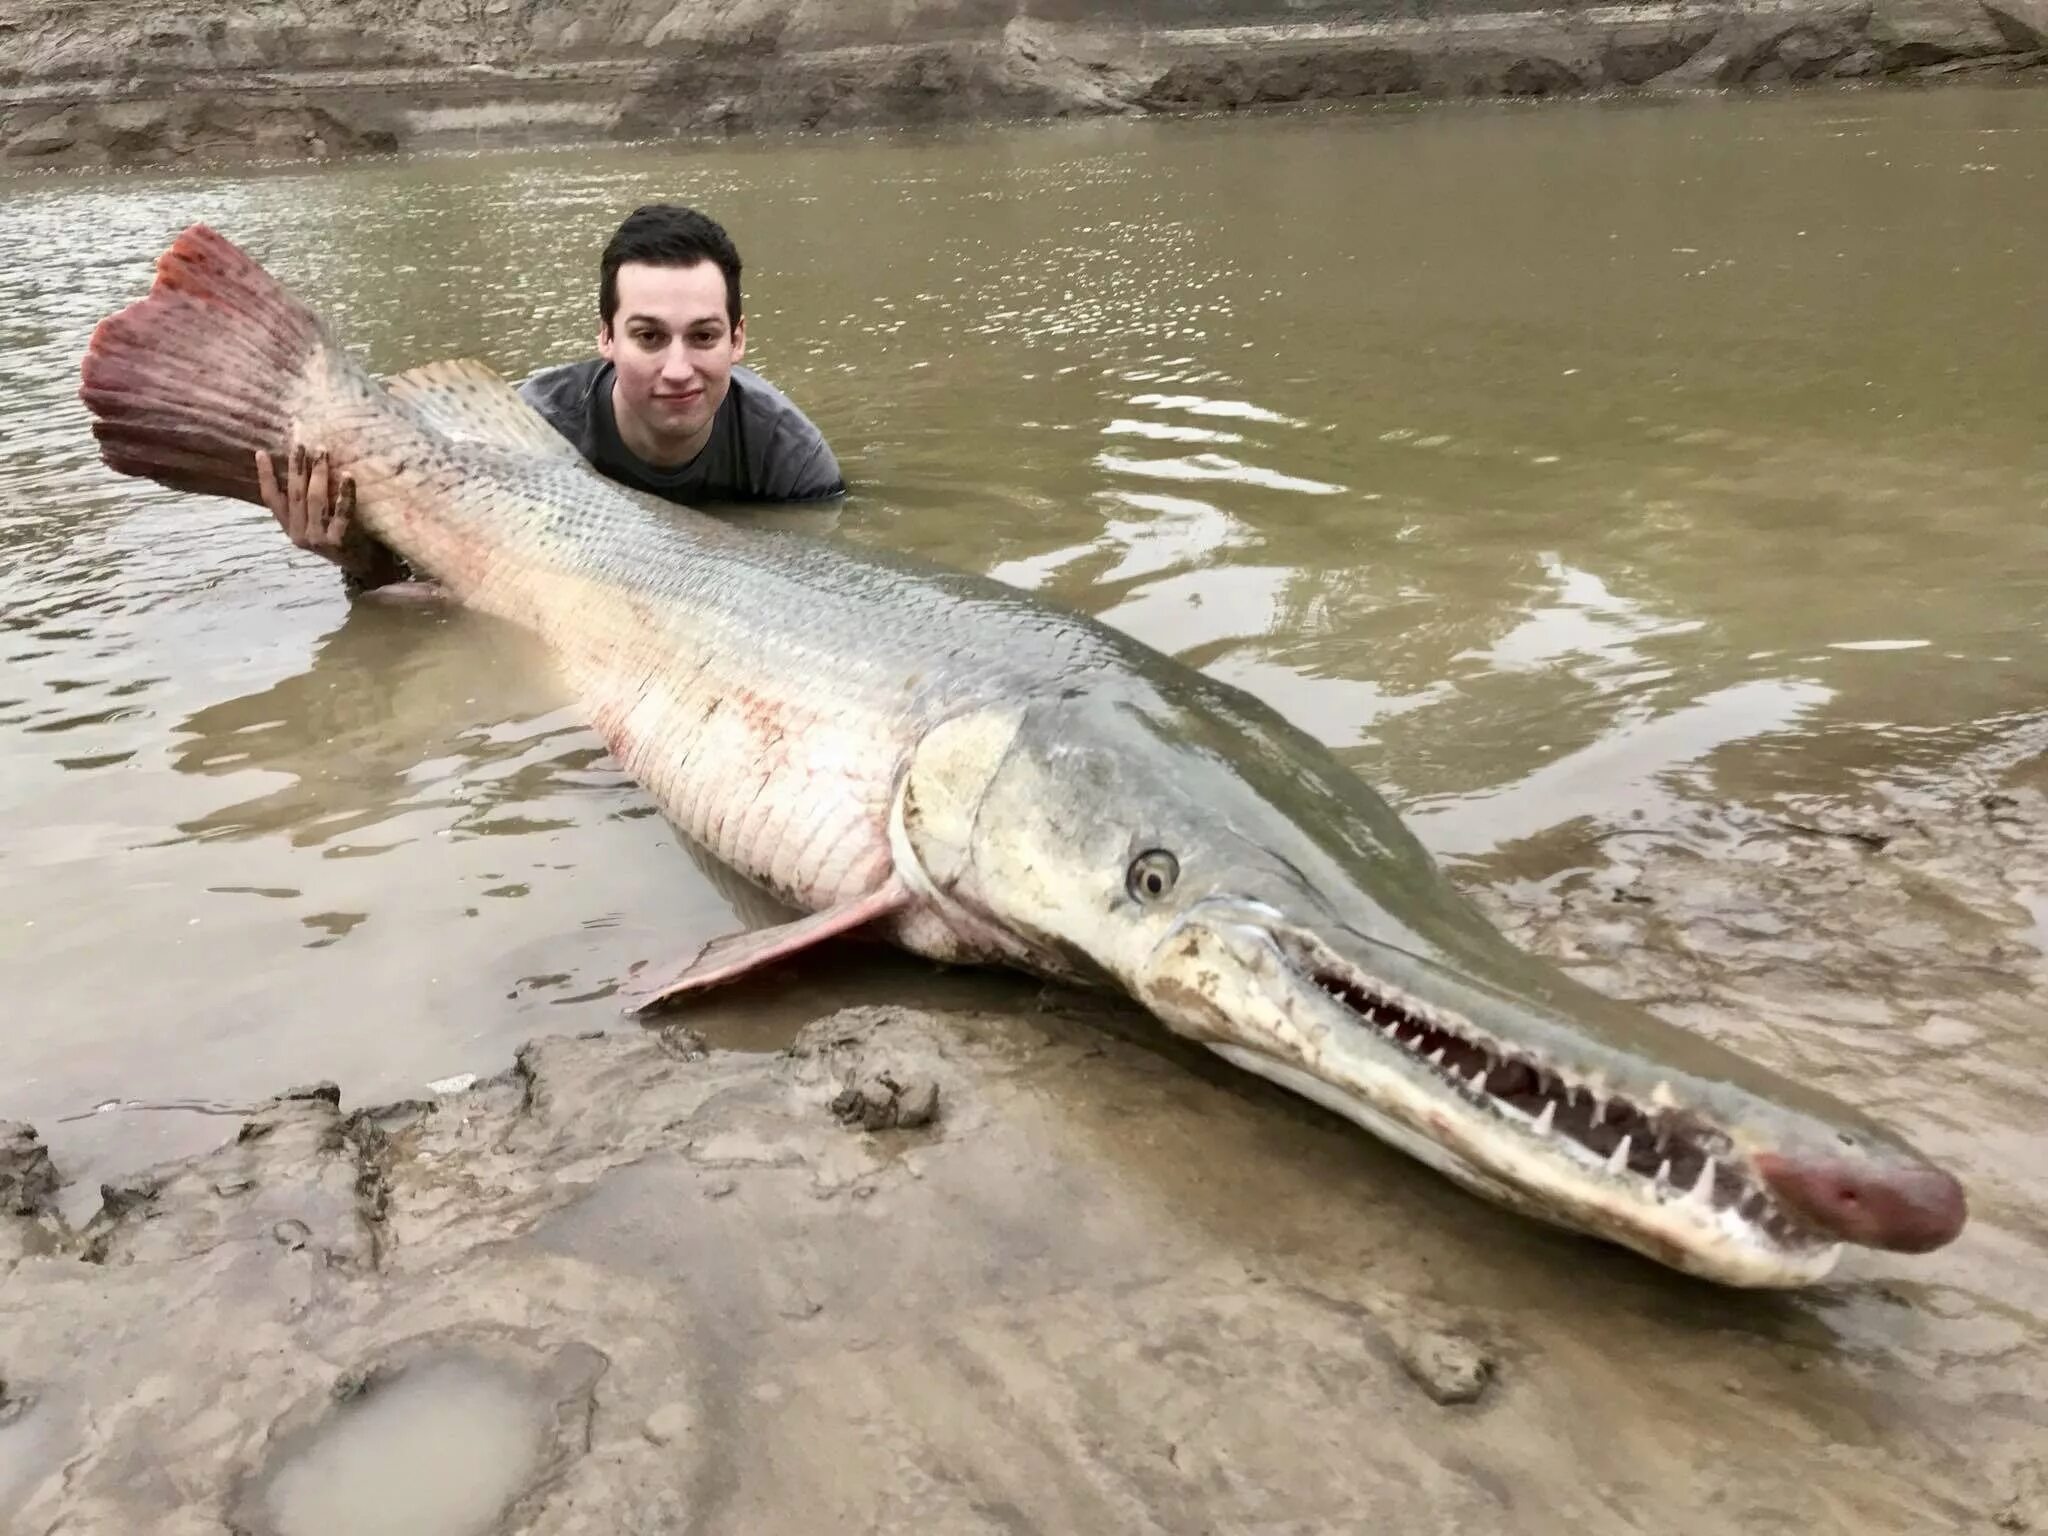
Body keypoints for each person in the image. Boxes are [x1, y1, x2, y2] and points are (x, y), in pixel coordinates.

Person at [255, 203, 844, 595]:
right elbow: (438, 581)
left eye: (704, 336)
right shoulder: (531, 427)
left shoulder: (792, 462)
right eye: (648, 337)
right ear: (606, 337)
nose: (678, 368)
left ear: (738, 340)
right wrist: (357, 559)